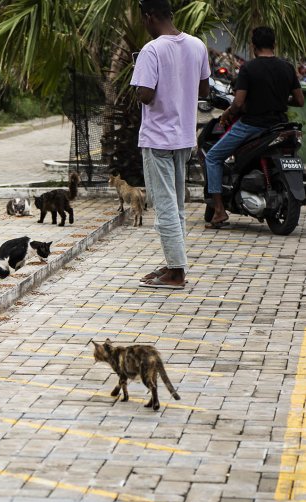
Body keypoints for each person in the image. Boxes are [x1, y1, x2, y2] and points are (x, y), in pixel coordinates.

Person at [131, 0, 210, 290]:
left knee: (164, 205)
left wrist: (139, 83)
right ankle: (174, 262)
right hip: (184, 138)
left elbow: (145, 95)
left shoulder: (151, 50)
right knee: (176, 205)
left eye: (144, 20)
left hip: (158, 138)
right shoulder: (197, 45)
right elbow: (204, 90)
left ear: (149, 17)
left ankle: (176, 273)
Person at [205, 27, 305, 228]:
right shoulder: (287, 67)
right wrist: (279, 100)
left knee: (213, 157)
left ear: (253, 46)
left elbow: (238, 103)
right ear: (274, 44)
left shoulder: (248, 69)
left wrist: (226, 114)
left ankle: (219, 211)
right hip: (279, 126)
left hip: (251, 126)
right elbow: (300, 100)